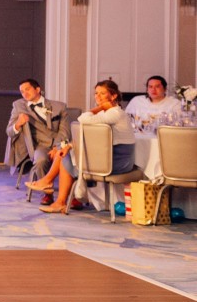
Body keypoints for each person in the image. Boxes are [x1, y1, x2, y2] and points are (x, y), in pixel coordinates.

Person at [29, 79, 135, 214]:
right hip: (109, 158)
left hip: (118, 161)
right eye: (96, 93)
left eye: (102, 93)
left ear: (113, 96)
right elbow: (90, 136)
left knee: (65, 156)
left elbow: (83, 118)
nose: (97, 96)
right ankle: (56, 194)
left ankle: (54, 191)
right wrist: (70, 146)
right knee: (64, 153)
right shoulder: (105, 114)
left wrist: (100, 107)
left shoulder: (115, 113)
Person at [4, 78, 70, 192]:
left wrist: (57, 147)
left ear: (38, 89)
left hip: (60, 143)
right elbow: (9, 131)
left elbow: (64, 131)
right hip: (39, 145)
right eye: (22, 91)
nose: (25, 93)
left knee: (72, 159)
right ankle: (46, 193)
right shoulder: (19, 106)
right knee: (40, 160)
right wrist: (18, 124)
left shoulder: (59, 107)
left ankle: (73, 196)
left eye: (27, 89)